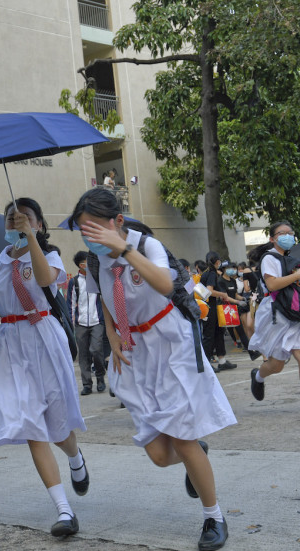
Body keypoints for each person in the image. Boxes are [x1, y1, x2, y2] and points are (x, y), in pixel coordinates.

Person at [69, 187, 235, 551]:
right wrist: (112, 335)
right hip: (134, 352)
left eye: (96, 228)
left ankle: (214, 517)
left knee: (182, 436)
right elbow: (107, 302)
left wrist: (125, 249)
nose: (91, 237)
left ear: (117, 222)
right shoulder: (96, 262)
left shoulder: (146, 246)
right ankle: (196, 455)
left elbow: (164, 284)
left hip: (170, 343)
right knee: (160, 456)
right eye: (84, 231)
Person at [0, 198, 88, 537]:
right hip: (11, 345)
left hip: (45, 339)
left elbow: (45, 280)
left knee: (58, 427)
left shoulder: (50, 256)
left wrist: (30, 241)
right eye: (12, 220)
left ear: (40, 225)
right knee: (32, 427)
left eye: (26, 218)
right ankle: (63, 510)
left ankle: (75, 457)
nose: (18, 223)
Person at [248, 221, 300, 401]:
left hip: (295, 313)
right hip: (277, 314)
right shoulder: (269, 258)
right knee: (276, 365)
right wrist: (297, 275)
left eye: (290, 232)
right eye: (281, 233)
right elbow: (272, 284)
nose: (287, 235)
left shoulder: (292, 257)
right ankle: (258, 377)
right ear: (272, 239)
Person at [67, 251, 106, 395]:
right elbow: (70, 304)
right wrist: (72, 326)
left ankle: (100, 377)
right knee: (83, 355)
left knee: (96, 350)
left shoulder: (97, 279)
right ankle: (87, 384)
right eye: (86, 262)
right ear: (80, 265)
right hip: (81, 323)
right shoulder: (74, 282)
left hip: (97, 321)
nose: (89, 265)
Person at [200, 252, 237, 372]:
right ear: (217, 262)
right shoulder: (211, 273)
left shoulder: (206, 273)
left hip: (209, 308)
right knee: (209, 336)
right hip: (209, 308)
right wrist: (221, 294)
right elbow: (209, 291)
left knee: (218, 333)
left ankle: (222, 361)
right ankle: (206, 364)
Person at [217, 261, 249, 351]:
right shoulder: (220, 281)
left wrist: (242, 298)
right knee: (222, 330)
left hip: (234, 308)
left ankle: (248, 347)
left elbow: (235, 294)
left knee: (240, 328)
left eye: (233, 268)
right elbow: (224, 297)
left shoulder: (233, 280)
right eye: (230, 268)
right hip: (225, 308)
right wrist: (238, 302)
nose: (232, 270)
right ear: (223, 269)